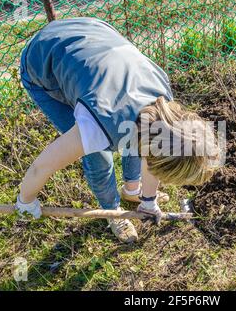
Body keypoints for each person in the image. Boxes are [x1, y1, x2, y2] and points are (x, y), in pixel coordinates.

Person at [17, 18, 219, 243]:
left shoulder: (164, 107)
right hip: (44, 57)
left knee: (135, 138)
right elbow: (41, 166)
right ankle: (112, 212)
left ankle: (132, 190)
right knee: (98, 156)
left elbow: (151, 153)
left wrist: (148, 200)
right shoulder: (95, 127)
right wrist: (26, 201)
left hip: (94, 37)